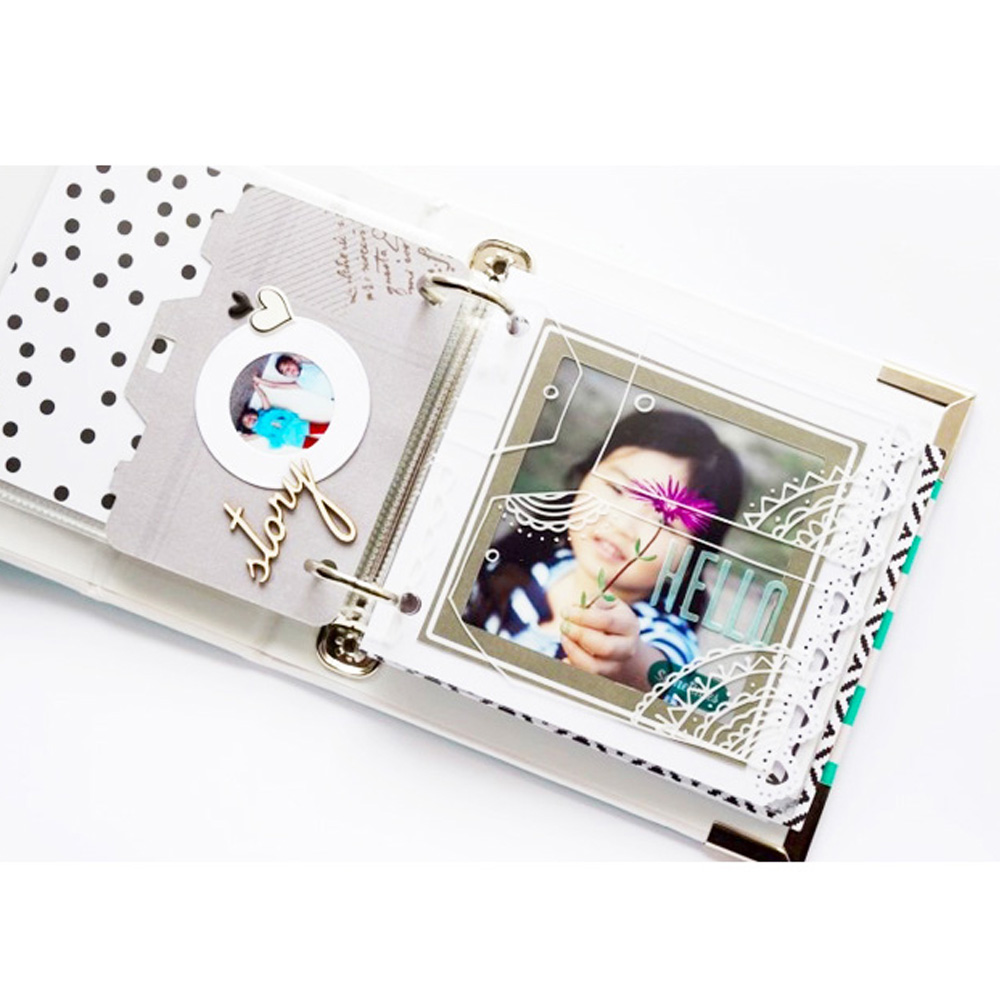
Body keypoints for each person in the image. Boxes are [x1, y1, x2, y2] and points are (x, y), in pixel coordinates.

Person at [462, 410, 743, 693]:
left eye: (665, 521)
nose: (623, 525)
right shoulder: (530, 561)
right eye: (616, 489)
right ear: (585, 475)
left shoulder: (663, 635)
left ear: (694, 555)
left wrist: (628, 662)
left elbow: (661, 676)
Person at [237, 406, 327, 450]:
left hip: (295, 426)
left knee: (322, 428)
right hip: (291, 439)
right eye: (246, 422)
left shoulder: (265, 414)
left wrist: (258, 389)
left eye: (249, 416)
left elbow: (266, 403)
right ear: (249, 429)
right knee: (317, 446)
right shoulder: (259, 431)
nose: (250, 420)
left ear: (254, 413)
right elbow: (247, 438)